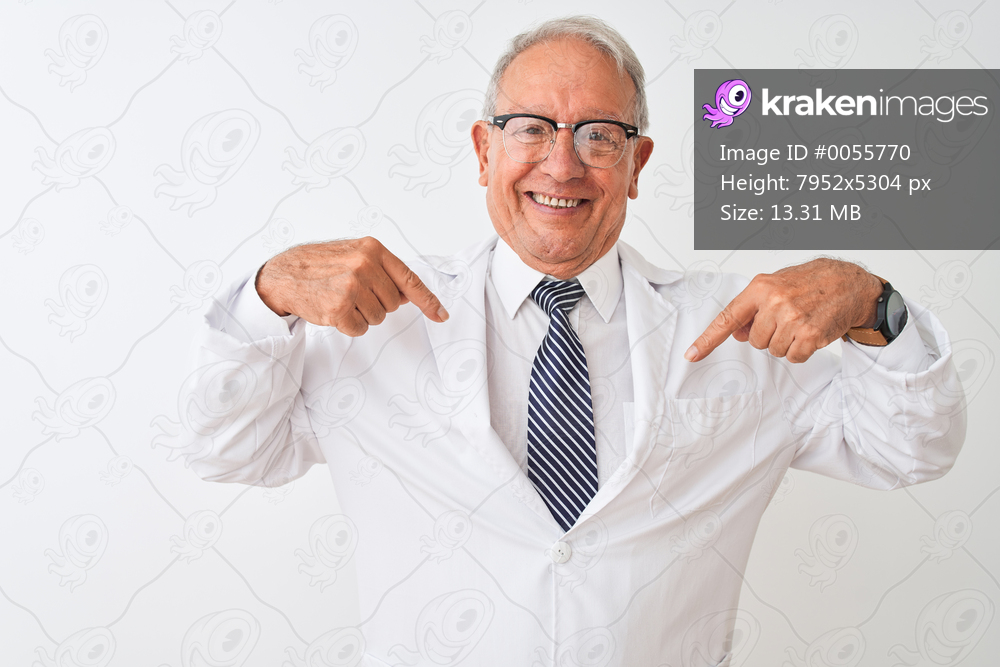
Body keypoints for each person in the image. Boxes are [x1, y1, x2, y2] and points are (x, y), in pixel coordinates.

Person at [178, 16, 965, 666]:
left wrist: (874, 303)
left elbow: (910, 449)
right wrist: (265, 296)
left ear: (635, 163)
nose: (562, 162)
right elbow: (226, 448)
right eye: (530, 129)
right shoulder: (373, 322)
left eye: (598, 134)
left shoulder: (741, 331)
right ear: (485, 150)